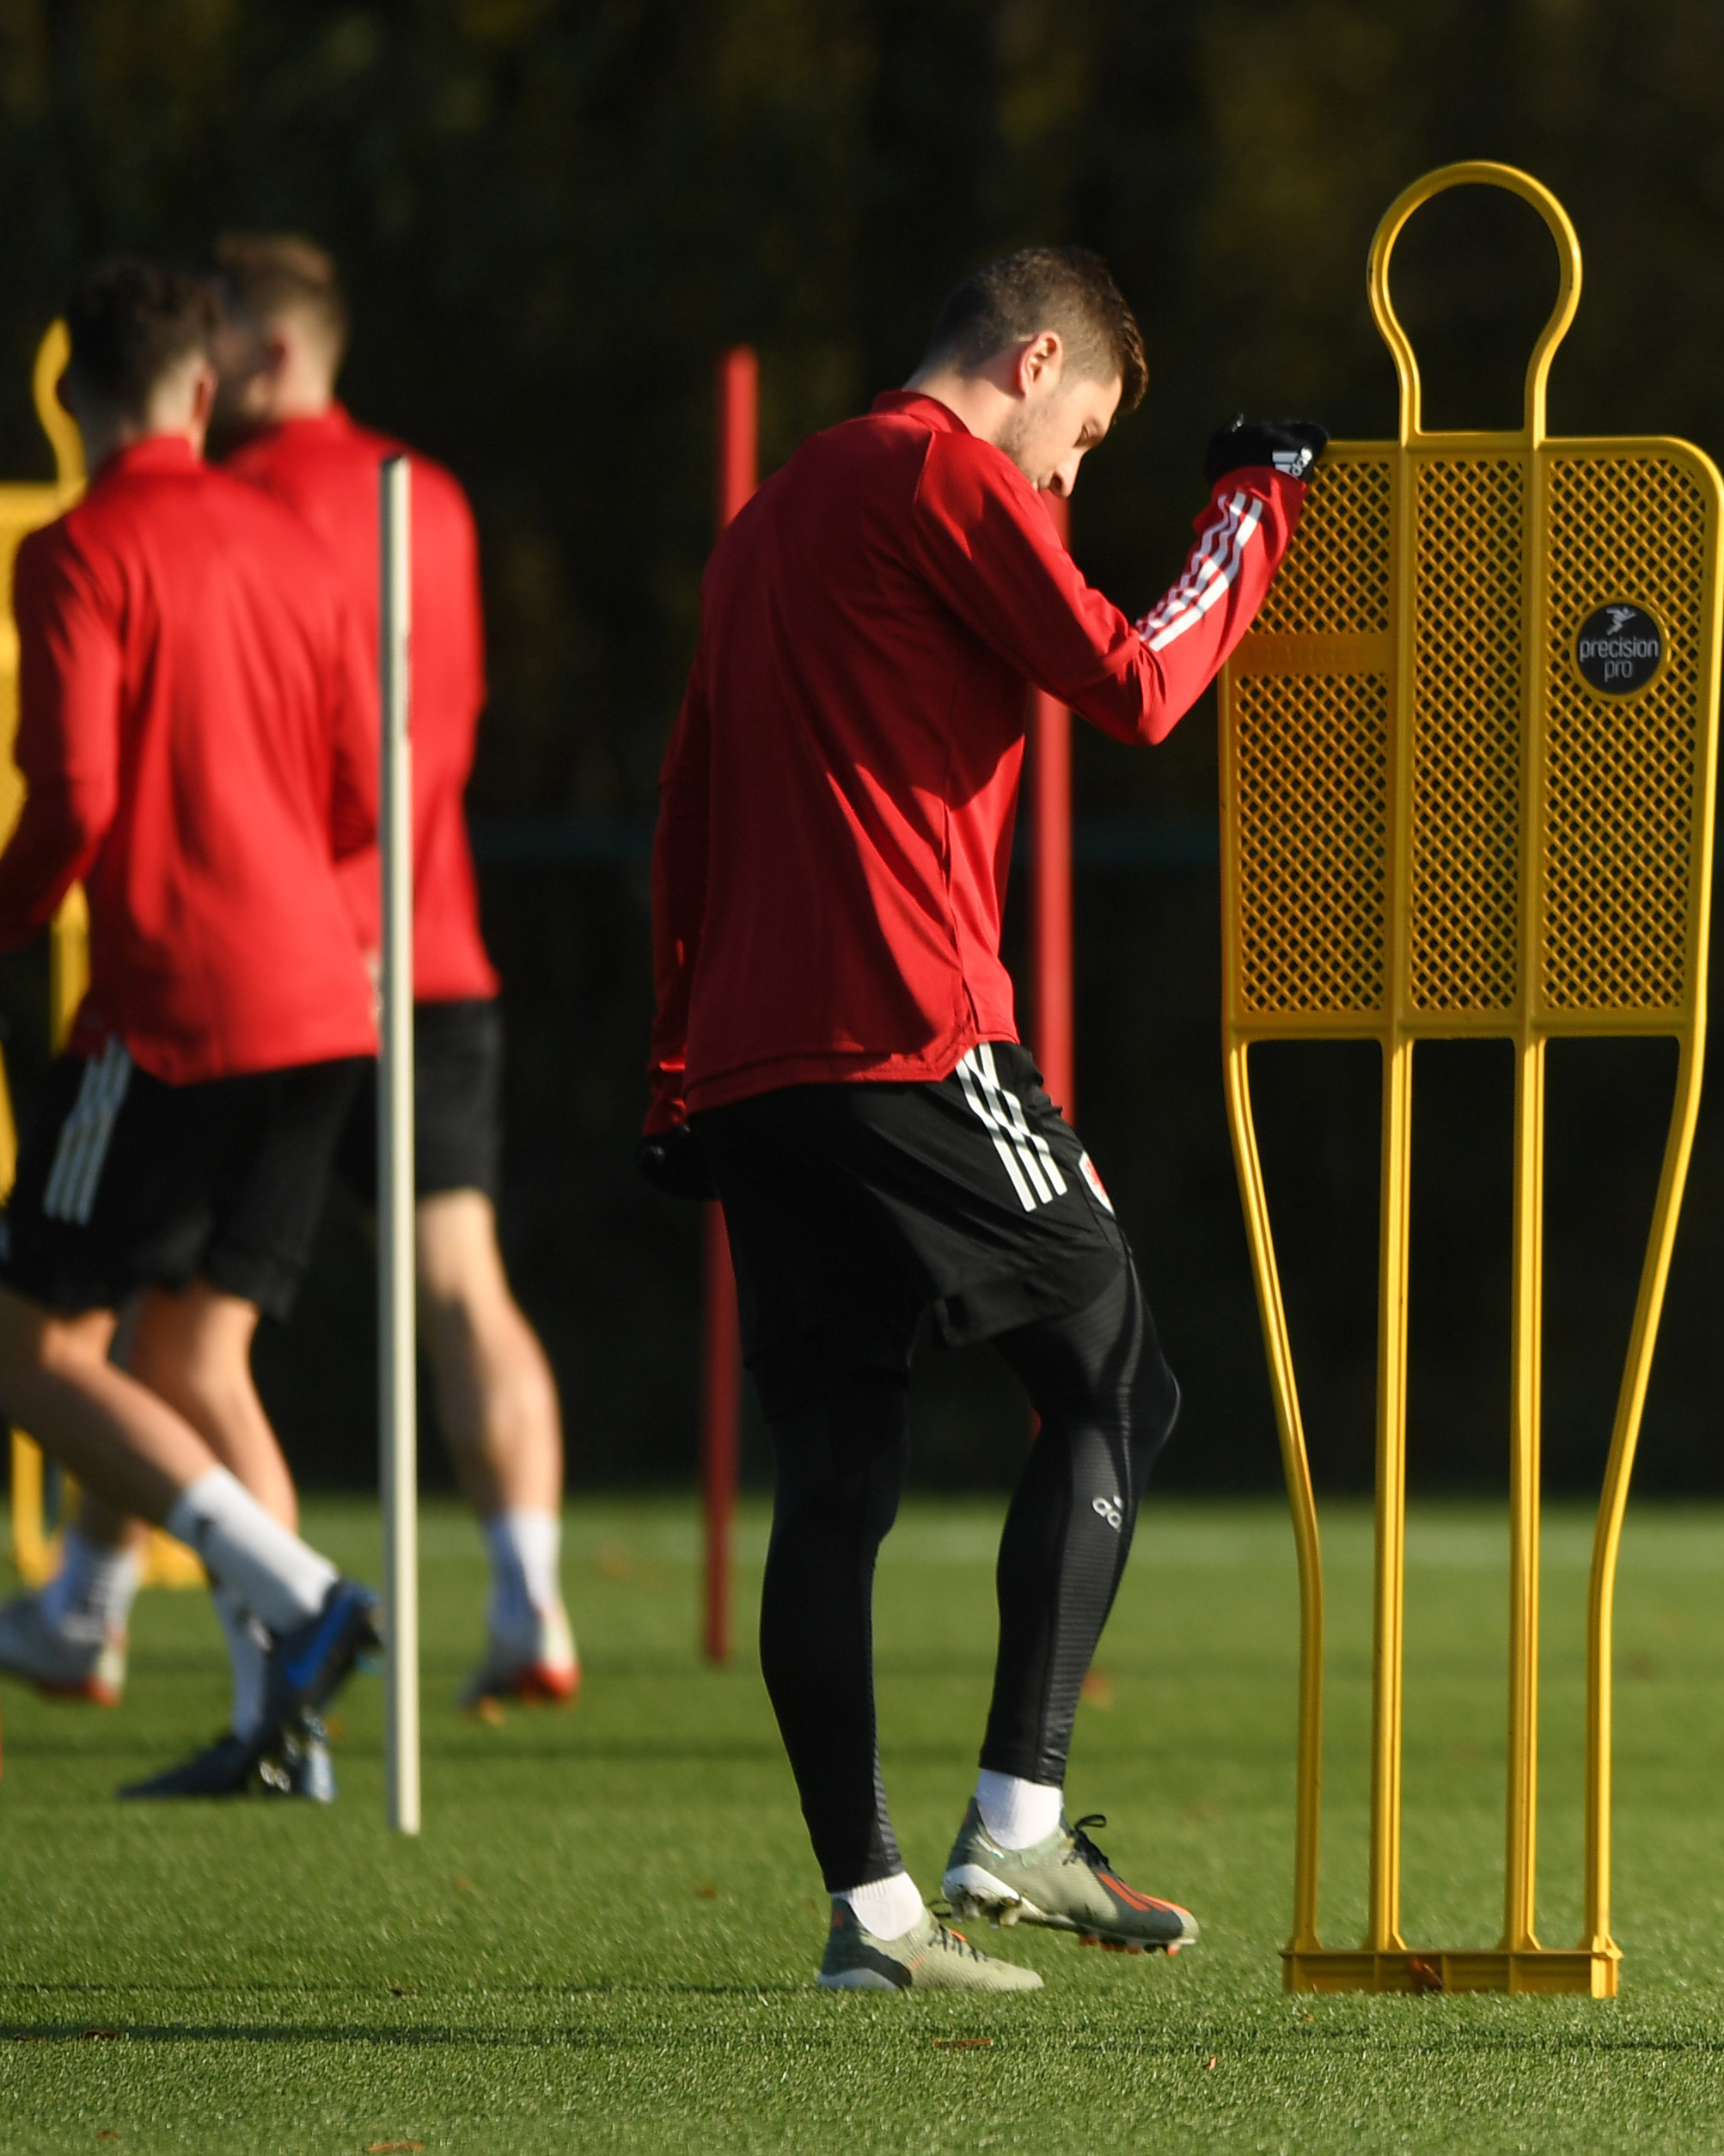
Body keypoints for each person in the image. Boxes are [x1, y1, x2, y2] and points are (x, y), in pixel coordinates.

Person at [643, 244, 1320, 1993]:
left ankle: (870, 1916)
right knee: (1121, 1382)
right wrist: (1253, 507)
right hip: (908, 1035)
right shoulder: (939, 473)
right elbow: (1138, 682)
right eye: (1079, 440)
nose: (1066, 483)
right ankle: (1015, 1820)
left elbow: (686, 810)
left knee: (835, 1479)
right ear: (1031, 363)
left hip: (752, 1066)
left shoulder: (763, 519)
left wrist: (672, 1063)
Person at [0, 260, 384, 1798]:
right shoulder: (294, 541)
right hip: (327, 1004)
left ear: (72, 394)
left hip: (175, 1010)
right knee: (198, 1354)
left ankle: (300, 1599)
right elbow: (361, 790)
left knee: (26, 1351)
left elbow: (72, 794)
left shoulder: (77, 548)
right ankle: (283, 1733)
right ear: (204, 392)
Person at [199, 231, 580, 1713]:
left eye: (214, 338)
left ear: (274, 350)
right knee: (462, 1285)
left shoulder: (231, 501)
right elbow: (440, 731)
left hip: (288, 957)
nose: (195, 371)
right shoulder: (434, 496)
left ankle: (116, 1611)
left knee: (181, 1307)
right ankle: (530, 1599)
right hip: (434, 946)